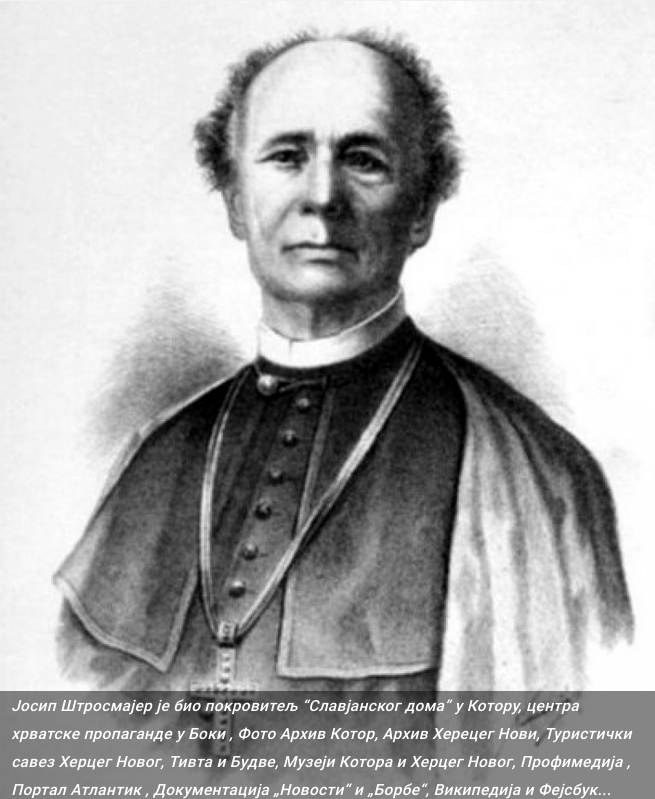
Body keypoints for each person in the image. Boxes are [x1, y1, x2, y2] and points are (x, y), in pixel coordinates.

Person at [54, 31, 633, 697]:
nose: (323, 195)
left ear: (421, 210)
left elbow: (583, 734)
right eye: (286, 156)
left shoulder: (535, 471)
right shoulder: (157, 457)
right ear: (235, 201)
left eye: (363, 159)